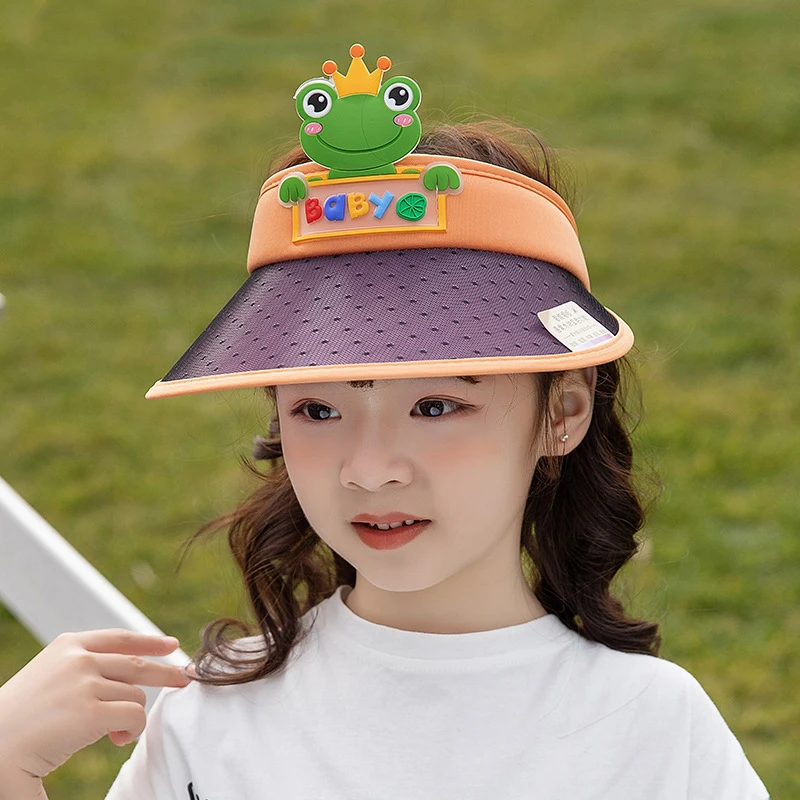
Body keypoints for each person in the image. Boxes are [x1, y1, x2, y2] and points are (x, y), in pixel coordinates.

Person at [0, 45, 769, 799]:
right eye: (318, 409)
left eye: (436, 405)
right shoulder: (209, 726)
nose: (369, 468)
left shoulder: (653, 731)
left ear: (561, 413)